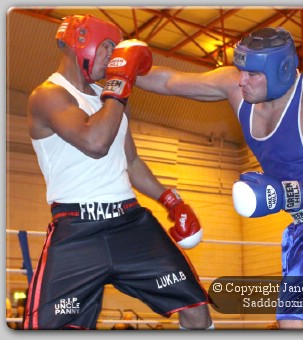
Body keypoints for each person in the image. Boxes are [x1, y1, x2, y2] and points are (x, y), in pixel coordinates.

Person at [135, 27, 303, 329]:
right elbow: (170, 81)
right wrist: (122, 73)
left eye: (252, 74)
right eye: (240, 70)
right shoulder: (236, 87)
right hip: (302, 223)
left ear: (279, 71)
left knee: (293, 315)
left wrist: (283, 194)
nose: (241, 80)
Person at [24, 14, 213, 330]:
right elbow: (94, 142)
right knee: (51, 330)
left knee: (196, 309)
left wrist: (171, 200)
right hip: (76, 230)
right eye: (108, 48)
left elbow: (132, 162)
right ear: (82, 43)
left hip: (130, 225)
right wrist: (119, 86)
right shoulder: (47, 95)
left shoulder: (108, 99)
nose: (114, 59)